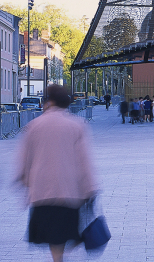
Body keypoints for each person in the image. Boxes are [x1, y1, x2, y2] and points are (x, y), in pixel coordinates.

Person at [16, 84, 99, 262]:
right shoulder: (76, 126)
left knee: (54, 238)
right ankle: (59, 257)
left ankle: (58, 258)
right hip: (68, 191)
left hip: (41, 192)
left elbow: (24, 159)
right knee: (65, 235)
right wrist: (90, 188)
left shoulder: (34, 126)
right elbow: (84, 161)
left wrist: (23, 180)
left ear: (50, 102)